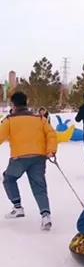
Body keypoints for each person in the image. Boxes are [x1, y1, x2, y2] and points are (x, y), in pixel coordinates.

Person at [0, 91, 57, 230]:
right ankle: (45, 215)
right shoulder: (39, 118)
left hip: (19, 158)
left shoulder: (10, 120)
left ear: (13, 105)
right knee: (39, 186)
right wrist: (51, 150)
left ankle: (18, 207)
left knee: (8, 178)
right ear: (26, 102)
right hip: (39, 157)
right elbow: (51, 134)